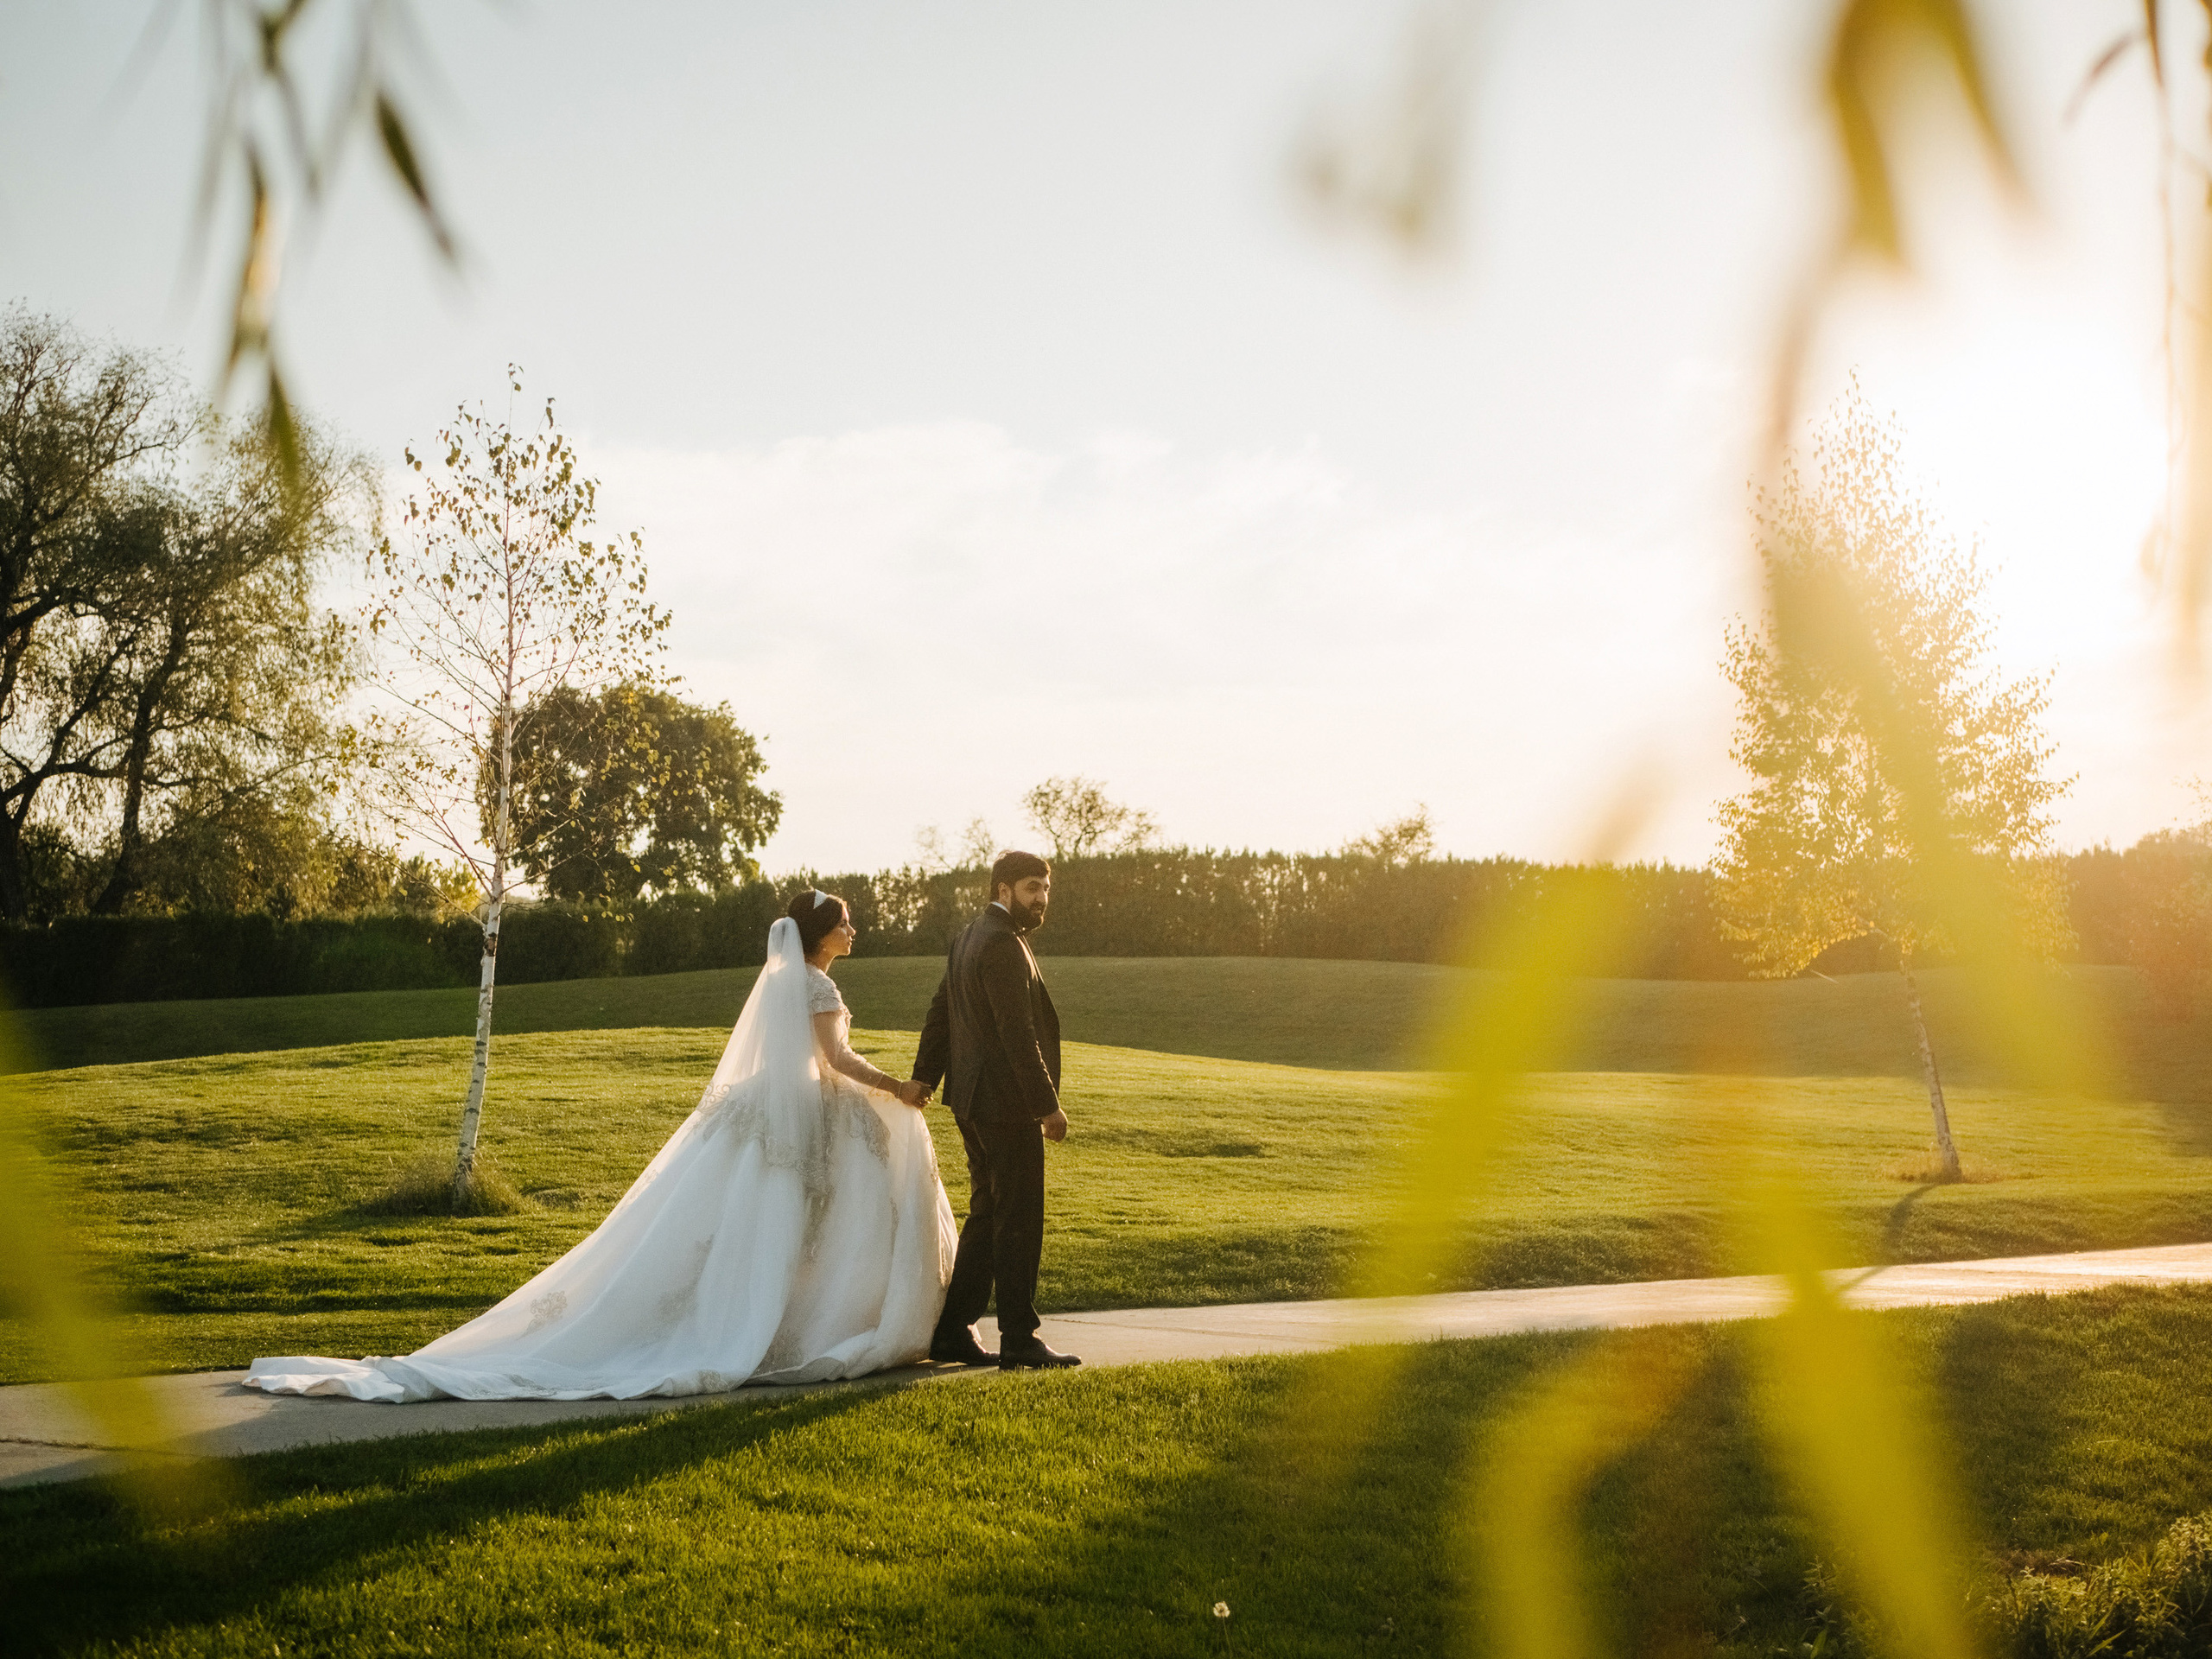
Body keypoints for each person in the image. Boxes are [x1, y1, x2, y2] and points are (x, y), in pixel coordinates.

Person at [244, 890, 957, 1402]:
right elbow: (835, 1061)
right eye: (845, 922)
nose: (854, 930)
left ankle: (755, 1320)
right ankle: (782, 1327)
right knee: (795, 1226)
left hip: (766, 1112)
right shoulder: (818, 987)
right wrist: (898, 1087)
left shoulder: (785, 980)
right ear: (822, 934)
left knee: (743, 1227)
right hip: (799, 1115)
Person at [912, 849, 1082, 1370]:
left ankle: (952, 1331)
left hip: (971, 1100)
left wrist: (926, 1076)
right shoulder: (1003, 943)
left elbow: (941, 1012)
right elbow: (1017, 1032)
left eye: (1046, 889)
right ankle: (1019, 1338)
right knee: (1019, 1219)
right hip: (1006, 1104)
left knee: (988, 1215)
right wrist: (1047, 1106)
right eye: (1032, 888)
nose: (1042, 898)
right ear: (1003, 890)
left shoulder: (969, 937)